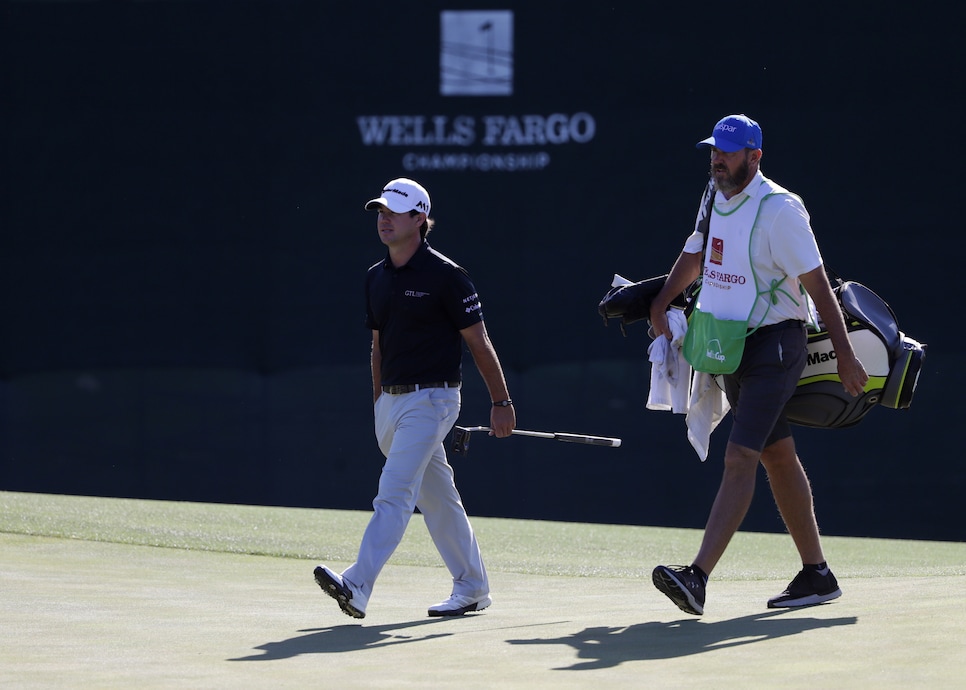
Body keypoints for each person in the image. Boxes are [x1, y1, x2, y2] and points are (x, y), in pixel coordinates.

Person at [648, 115, 868, 615]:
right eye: (713, 150)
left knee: (739, 457)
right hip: (728, 348)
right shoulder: (713, 195)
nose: (717, 159)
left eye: (727, 152)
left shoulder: (781, 210)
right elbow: (698, 251)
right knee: (777, 457)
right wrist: (661, 302)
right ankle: (817, 574)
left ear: (755, 156)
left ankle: (697, 577)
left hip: (776, 348)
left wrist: (845, 354)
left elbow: (818, 286)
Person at [314, 177, 516, 619]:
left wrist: (501, 402)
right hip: (391, 404)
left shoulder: (448, 276)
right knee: (440, 500)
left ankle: (357, 584)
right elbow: (378, 347)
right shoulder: (375, 277)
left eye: (393, 212)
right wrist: (378, 404)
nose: (383, 219)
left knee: (394, 494)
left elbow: (479, 342)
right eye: (380, 212)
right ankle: (473, 586)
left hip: (433, 401)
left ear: (419, 218)